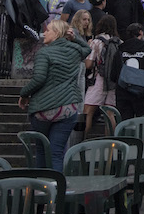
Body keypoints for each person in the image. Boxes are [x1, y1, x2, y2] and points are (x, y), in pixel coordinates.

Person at [18, 19, 90, 171]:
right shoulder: (75, 51)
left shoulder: (44, 53)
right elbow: (87, 49)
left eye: (48, 30)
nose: (44, 33)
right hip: (67, 107)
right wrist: (75, 38)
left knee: (42, 150)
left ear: (57, 33)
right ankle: (57, 189)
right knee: (56, 153)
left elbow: (39, 79)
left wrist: (24, 94)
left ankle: (40, 188)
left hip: (43, 109)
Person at [114, 23, 144, 120]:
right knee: (143, 123)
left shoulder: (120, 49)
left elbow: (114, 74)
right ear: (141, 33)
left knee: (125, 123)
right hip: (142, 92)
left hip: (123, 92)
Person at [83, 15, 119, 135]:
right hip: (113, 82)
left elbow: (88, 64)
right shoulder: (118, 42)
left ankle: (83, 141)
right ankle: (110, 144)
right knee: (110, 113)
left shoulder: (96, 42)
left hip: (98, 79)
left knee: (88, 110)